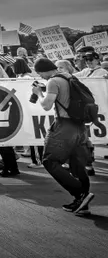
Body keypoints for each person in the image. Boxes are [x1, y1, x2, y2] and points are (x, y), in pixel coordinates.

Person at [32, 57, 94, 216]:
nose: (41, 77)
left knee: (50, 161)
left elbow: (46, 105)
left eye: (40, 74)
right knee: (77, 165)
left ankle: (80, 193)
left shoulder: (53, 81)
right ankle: (83, 205)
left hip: (64, 126)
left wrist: (39, 93)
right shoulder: (69, 77)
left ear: (43, 70)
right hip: (80, 126)